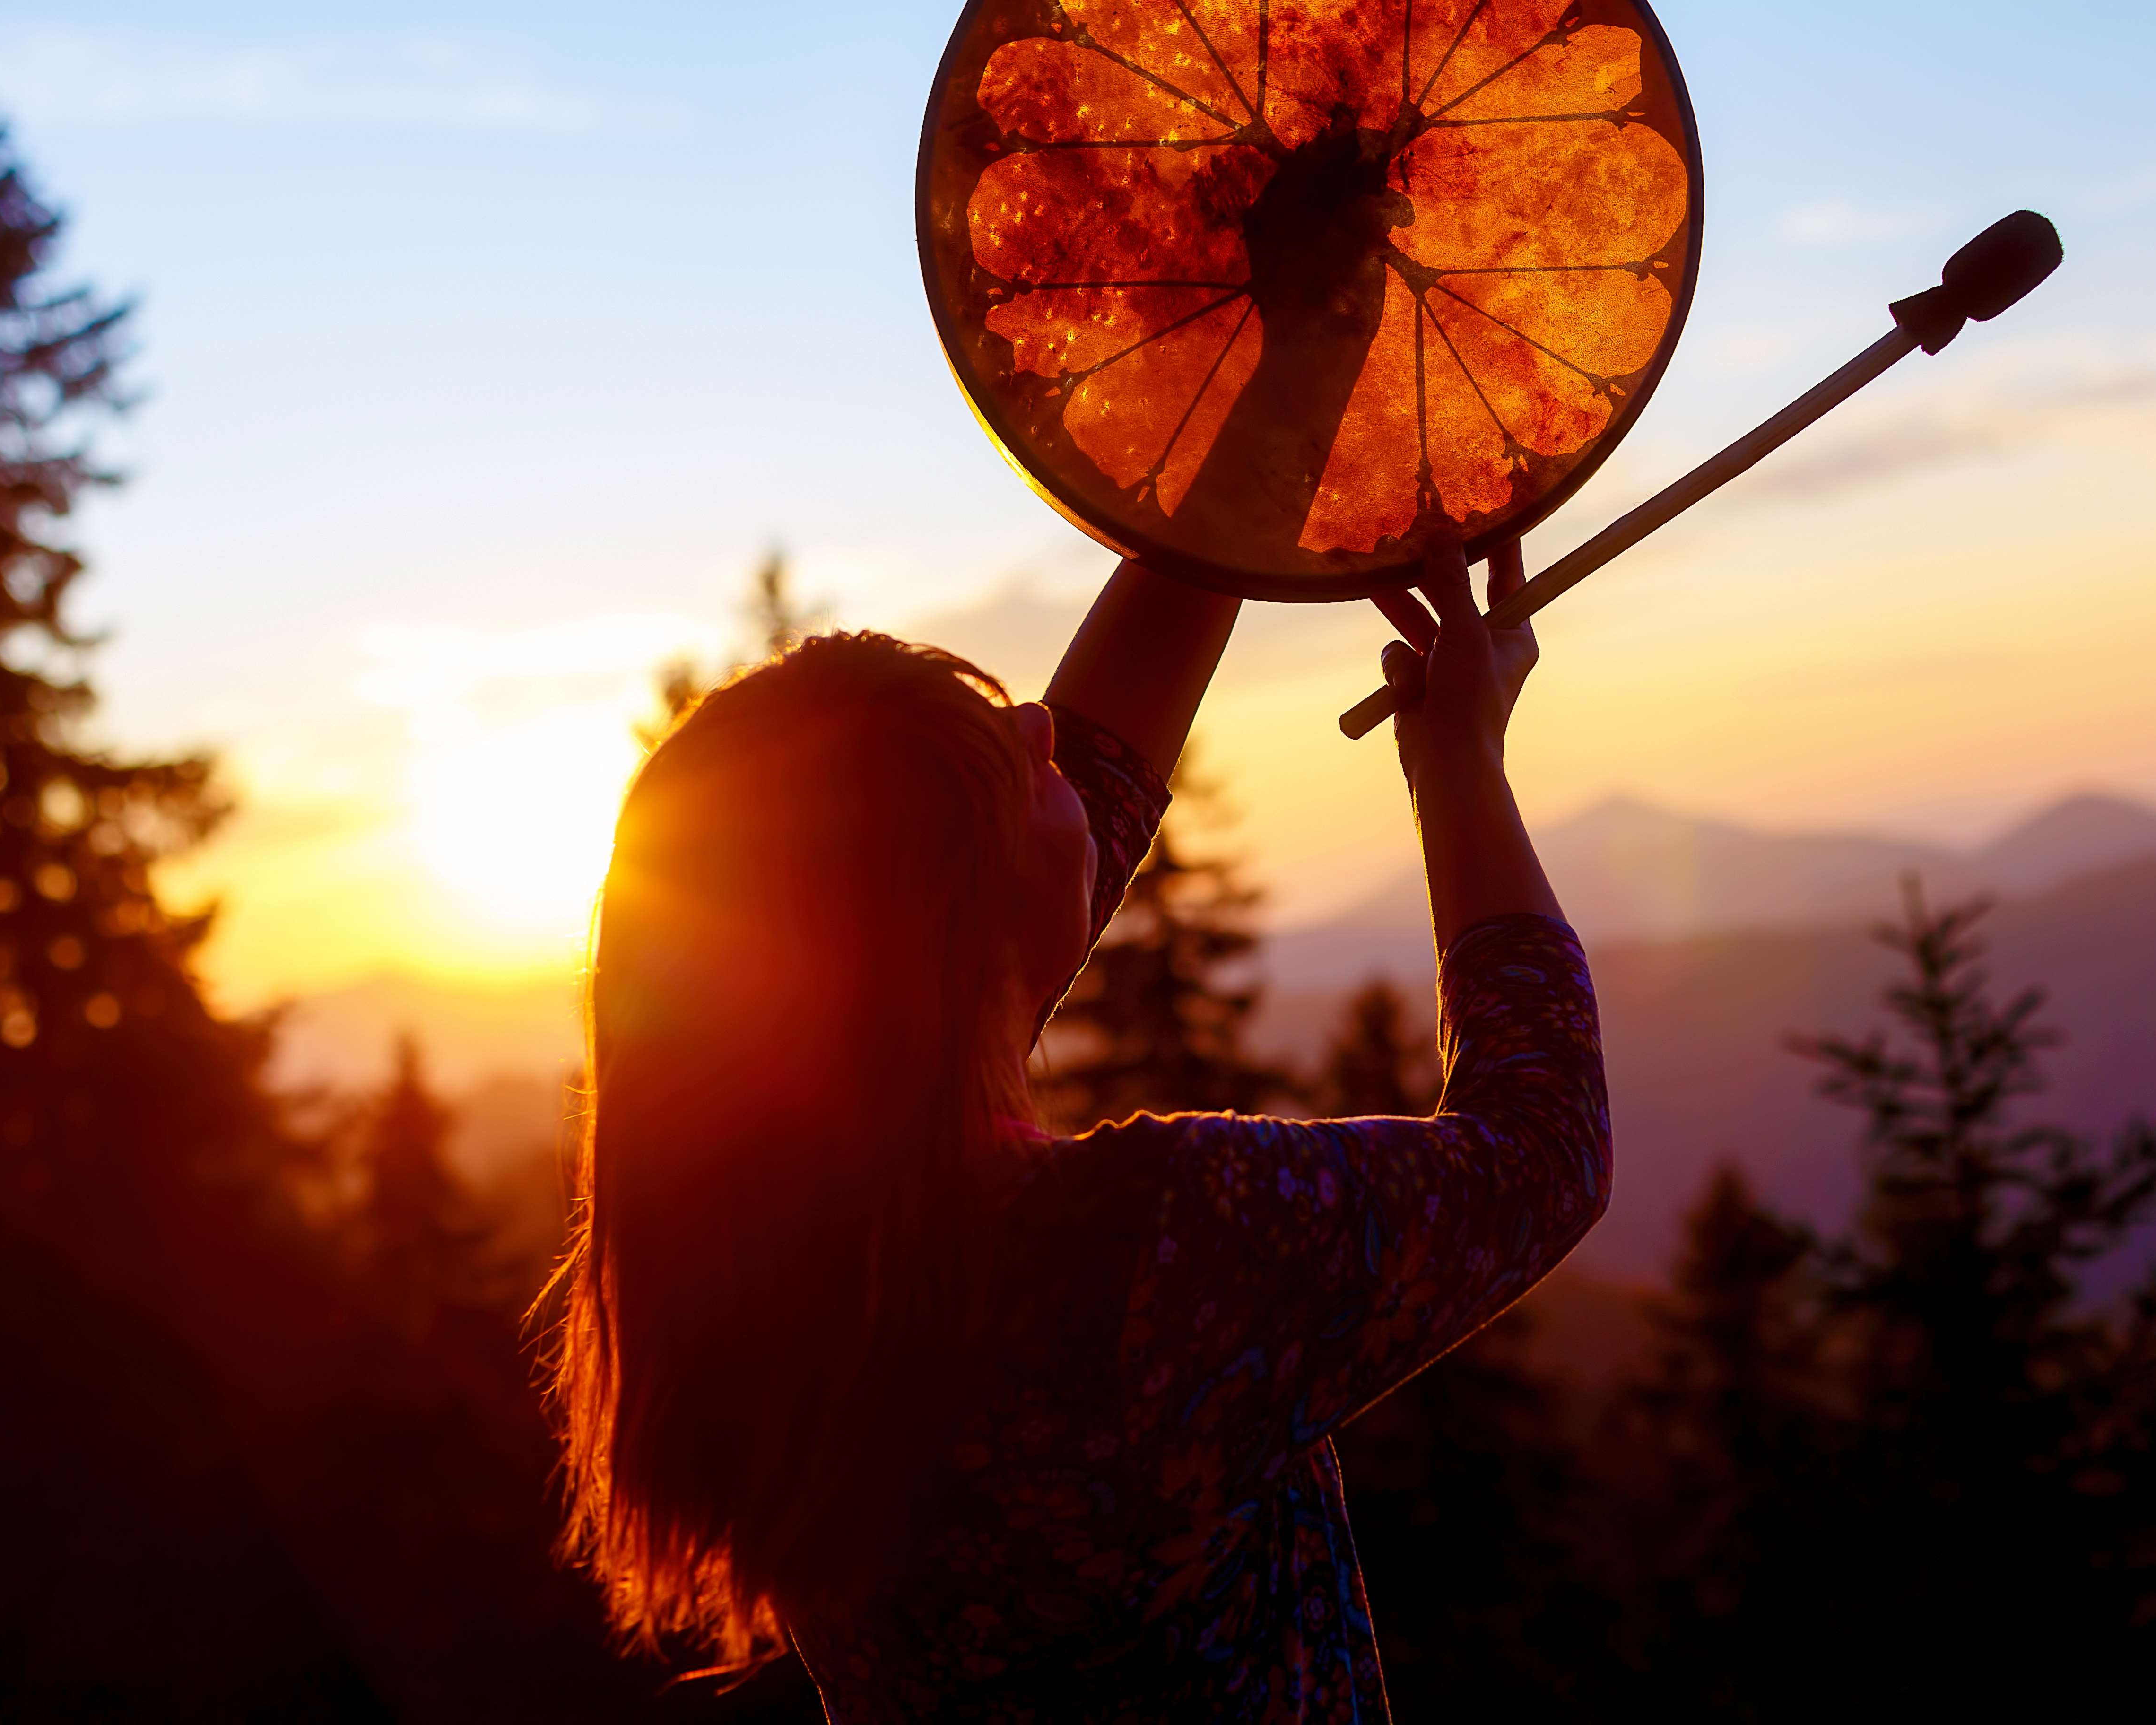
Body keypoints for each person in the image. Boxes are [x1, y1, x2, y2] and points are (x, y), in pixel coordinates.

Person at [550, 534, 1609, 1720]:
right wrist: (1458, 760)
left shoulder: (783, 1271)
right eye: (999, 758)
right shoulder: (1150, 1250)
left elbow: (1086, 782)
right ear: (952, 916)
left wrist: (1262, 441)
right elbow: (1541, 1151)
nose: (1043, 728)